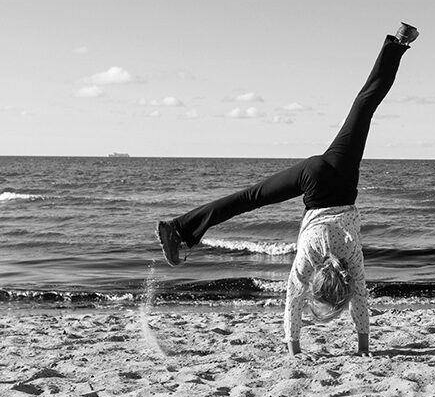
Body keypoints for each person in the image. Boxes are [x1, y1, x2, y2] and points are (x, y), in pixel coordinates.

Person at [156, 22, 419, 356]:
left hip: (337, 171)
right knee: (249, 199)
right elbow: (294, 299)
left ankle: (398, 42)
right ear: (319, 284)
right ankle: (178, 229)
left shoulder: (351, 256)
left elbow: (360, 300)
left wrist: (363, 347)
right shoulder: (309, 256)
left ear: (344, 283)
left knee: (364, 105)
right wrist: (295, 348)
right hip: (314, 181)